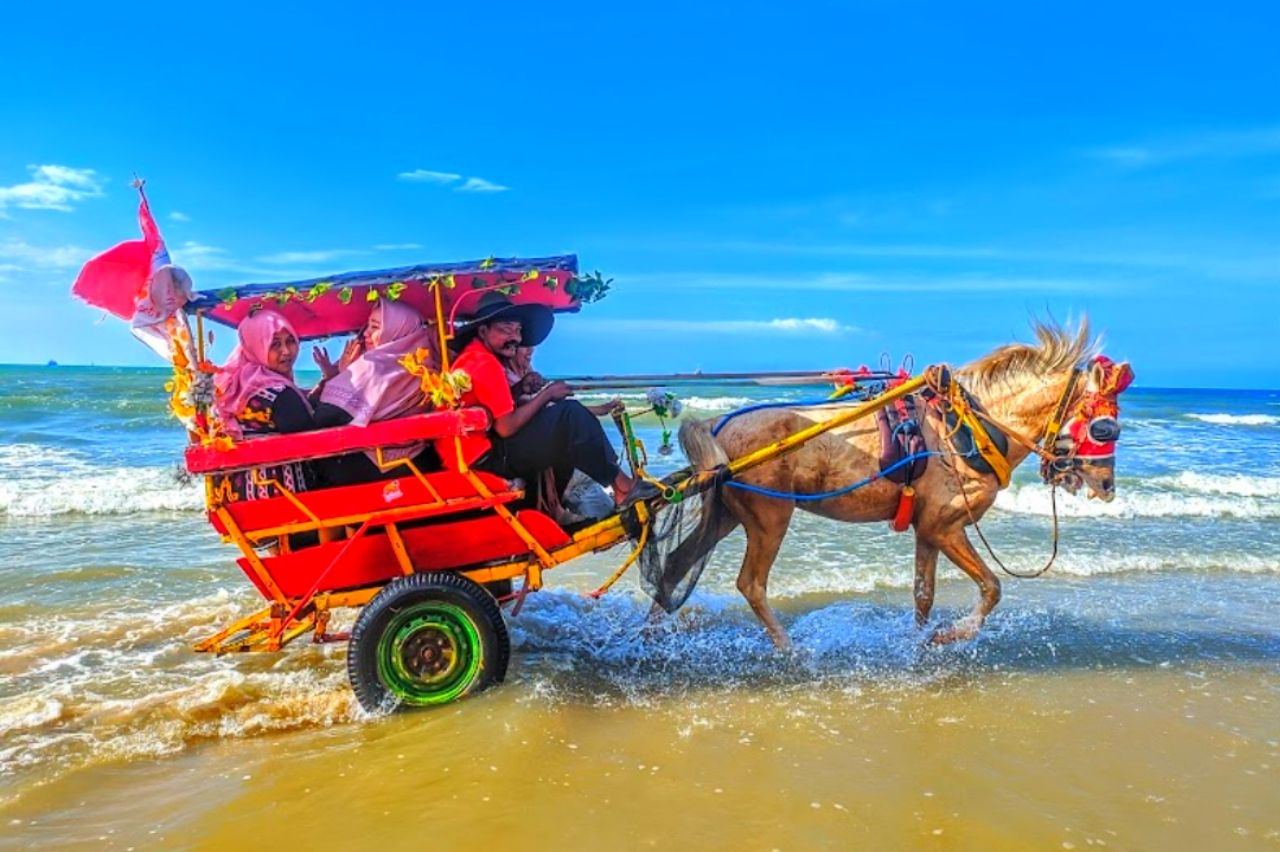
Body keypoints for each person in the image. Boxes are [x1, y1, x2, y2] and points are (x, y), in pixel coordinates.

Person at [446, 292, 635, 509]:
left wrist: (519, 389)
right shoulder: (484, 363)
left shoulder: (474, 357)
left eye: (517, 331)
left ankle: (556, 509)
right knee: (569, 415)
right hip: (484, 459)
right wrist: (547, 394)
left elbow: (493, 409)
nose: (515, 338)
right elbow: (505, 427)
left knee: (564, 427)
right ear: (483, 331)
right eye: (506, 329)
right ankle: (623, 486)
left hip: (482, 450)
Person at [313, 300, 439, 484]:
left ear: (395, 332)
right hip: (417, 459)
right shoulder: (425, 365)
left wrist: (342, 374)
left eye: (375, 327)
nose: (366, 334)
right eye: (367, 326)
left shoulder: (374, 367)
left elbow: (324, 417)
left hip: (376, 465)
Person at [213, 310, 320, 500]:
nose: (286, 351)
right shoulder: (277, 393)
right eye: (275, 344)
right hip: (283, 497)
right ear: (257, 346)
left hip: (232, 497)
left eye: (290, 341)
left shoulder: (230, 386)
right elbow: (312, 432)